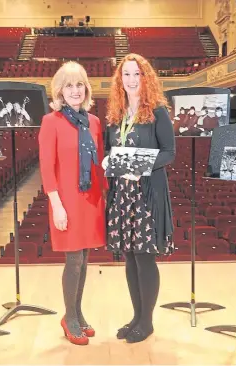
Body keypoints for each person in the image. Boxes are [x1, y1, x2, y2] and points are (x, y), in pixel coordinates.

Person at [103, 53, 176, 343]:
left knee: (146, 257)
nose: (131, 80)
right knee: (130, 257)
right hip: (123, 193)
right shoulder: (115, 114)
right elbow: (112, 150)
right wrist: (109, 161)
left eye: (137, 74)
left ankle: (147, 321)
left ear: (146, 78)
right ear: (119, 80)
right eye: (126, 75)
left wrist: (136, 165)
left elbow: (169, 152)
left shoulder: (157, 111)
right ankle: (136, 316)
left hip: (147, 193)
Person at [38, 61, 107, 346]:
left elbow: (100, 162)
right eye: (69, 85)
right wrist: (56, 205)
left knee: (85, 257)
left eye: (80, 84)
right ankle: (70, 317)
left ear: (87, 89)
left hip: (90, 198)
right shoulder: (50, 122)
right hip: (66, 199)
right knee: (74, 259)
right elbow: (46, 166)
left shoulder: (94, 122)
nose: (75, 90)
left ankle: (77, 313)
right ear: (59, 90)